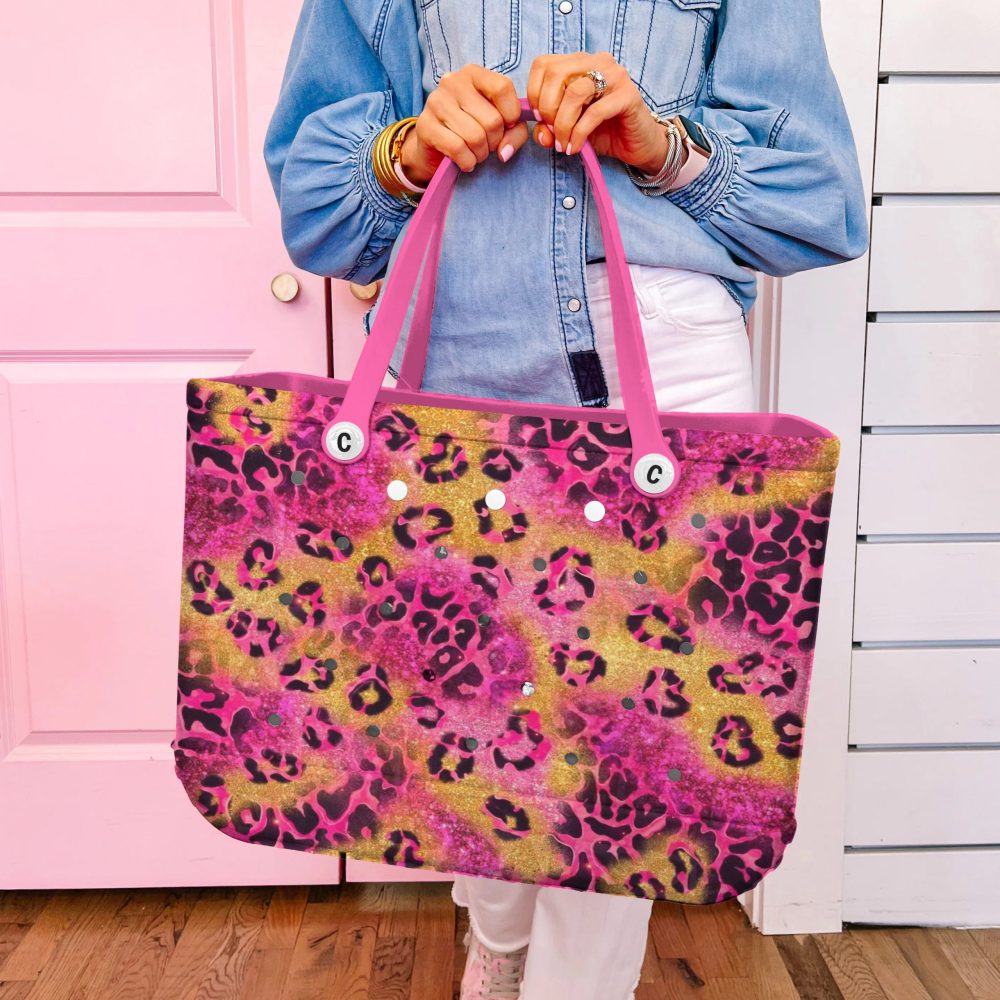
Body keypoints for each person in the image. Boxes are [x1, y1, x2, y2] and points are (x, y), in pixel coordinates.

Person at [263, 2, 869, 997]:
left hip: (661, 366)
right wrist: (407, 151)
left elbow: (820, 198)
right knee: (463, 718)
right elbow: (315, 210)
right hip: (453, 350)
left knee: (621, 750)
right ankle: (498, 939)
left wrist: (664, 145)